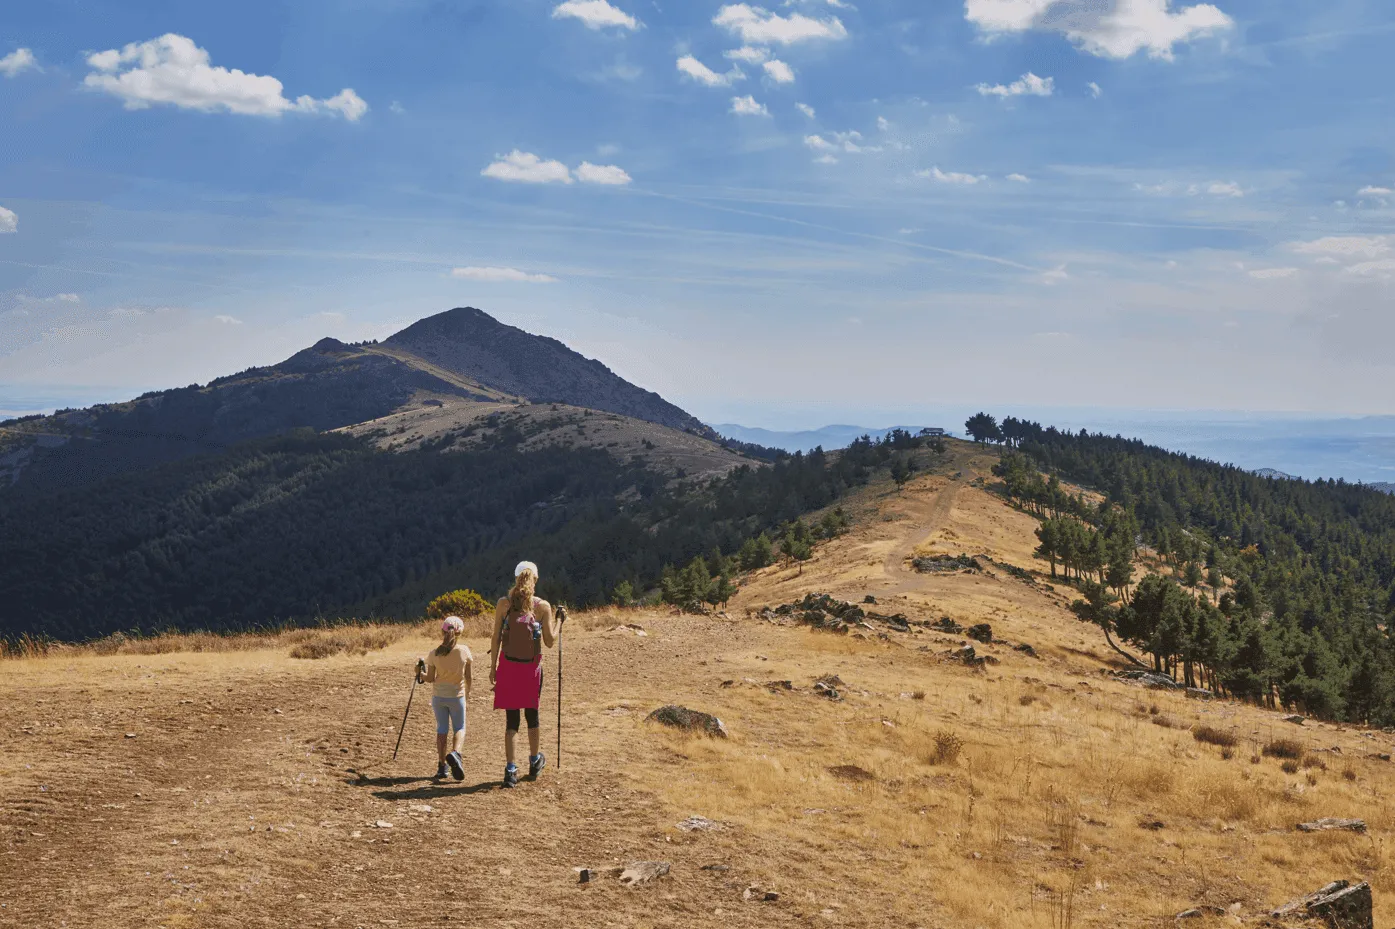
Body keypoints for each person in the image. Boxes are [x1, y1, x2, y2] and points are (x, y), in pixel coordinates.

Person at [488, 561, 565, 788]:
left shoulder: (504, 604)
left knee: (512, 719)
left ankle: (511, 769)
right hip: (531, 669)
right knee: (532, 715)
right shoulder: (542, 607)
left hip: (508, 666)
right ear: (536, 579)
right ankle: (534, 761)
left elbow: (495, 637)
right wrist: (560, 622)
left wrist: (493, 667)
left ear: (515, 578)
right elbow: (550, 642)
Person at [419, 616, 472, 781]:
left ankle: (442, 767)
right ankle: (455, 754)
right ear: (460, 633)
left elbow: (429, 678)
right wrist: (467, 694)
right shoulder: (464, 651)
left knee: (442, 730)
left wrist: (418, 672)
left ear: (442, 631)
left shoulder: (434, 653)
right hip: (457, 696)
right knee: (460, 728)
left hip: (438, 697)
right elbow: (468, 678)